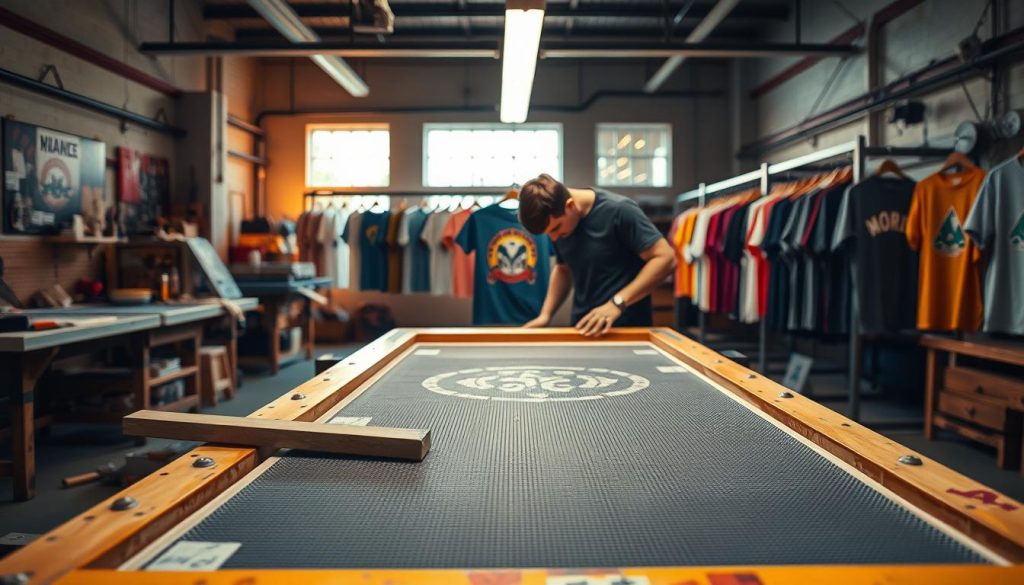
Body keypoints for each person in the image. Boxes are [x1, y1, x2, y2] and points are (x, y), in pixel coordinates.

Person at [518, 174, 677, 337]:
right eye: (548, 233)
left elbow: (666, 258)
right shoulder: (559, 226)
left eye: (556, 228)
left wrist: (617, 303)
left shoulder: (620, 210)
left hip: (626, 330)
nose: (554, 238)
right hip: (583, 328)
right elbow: (563, 269)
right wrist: (545, 315)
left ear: (570, 205)